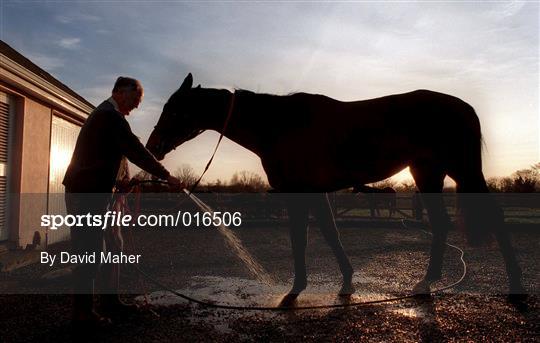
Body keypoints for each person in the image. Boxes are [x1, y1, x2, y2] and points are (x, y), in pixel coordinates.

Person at [62, 76, 182, 327]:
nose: (138, 105)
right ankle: (82, 315)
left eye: (139, 100)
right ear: (118, 92)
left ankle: (109, 301)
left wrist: (117, 183)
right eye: (135, 99)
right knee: (89, 252)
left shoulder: (106, 116)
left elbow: (98, 159)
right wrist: (166, 175)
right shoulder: (110, 116)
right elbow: (135, 149)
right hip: (86, 194)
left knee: (109, 248)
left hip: (92, 190)